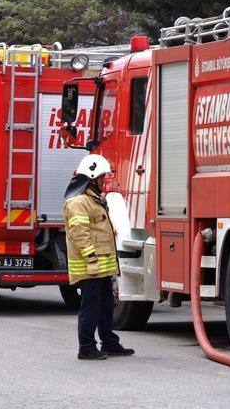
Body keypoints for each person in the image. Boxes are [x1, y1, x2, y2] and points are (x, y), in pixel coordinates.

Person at [64, 153, 134, 360]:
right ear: (91, 177)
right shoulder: (77, 202)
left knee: (105, 307)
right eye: (101, 177)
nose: (104, 181)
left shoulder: (95, 200)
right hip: (89, 268)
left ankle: (109, 343)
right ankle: (86, 348)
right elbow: (79, 233)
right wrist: (91, 260)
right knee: (91, 309)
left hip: (102, 267)